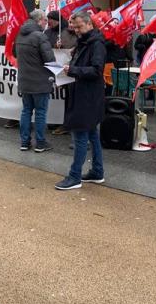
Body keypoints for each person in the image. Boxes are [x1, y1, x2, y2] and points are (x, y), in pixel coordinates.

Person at [55, 11, 107, 191]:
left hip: (87, 97)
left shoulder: (96, 44)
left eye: (79, 26)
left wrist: (73, 70)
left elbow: (96, 70)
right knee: (92, 134)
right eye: (74, 27)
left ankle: (74, 176)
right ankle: (97, 172)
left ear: (89, 24)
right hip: (84, 95)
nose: (76, 30)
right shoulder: (85, 42)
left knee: (80, 136)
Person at [14, 10, 55, 153]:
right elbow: (50, 60)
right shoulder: (40, 37)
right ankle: (40, 143)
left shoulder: (20, 35)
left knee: (26, 111)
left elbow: (15, 54)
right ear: (39, 20)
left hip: (25, 80)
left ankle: (24, 142)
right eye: (45, 20)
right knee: (40, 112)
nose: (46, 23)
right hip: (40, 82)